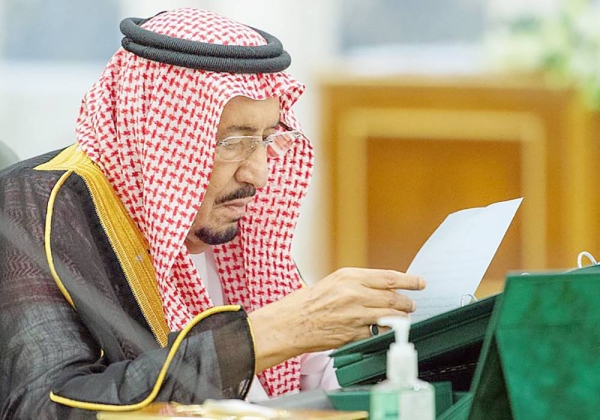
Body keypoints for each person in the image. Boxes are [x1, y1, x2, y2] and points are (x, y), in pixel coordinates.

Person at [0, 8, 425, 419]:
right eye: (233, 142)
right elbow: (43, 408)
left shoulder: (233, 228)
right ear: (159, 138)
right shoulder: (33, 208)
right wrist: (262, 337)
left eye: (267, 138)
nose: (258, 174)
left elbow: (316, 380)